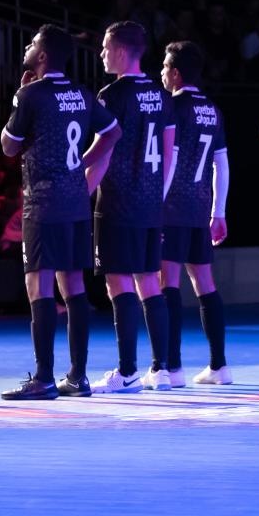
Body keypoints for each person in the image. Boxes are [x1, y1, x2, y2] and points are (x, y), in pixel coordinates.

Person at [0, 25, 121, 400]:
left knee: (38, 285)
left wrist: (19, 97)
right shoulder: (82, 94)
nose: (26, 46)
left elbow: (8, 147)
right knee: (74, 286)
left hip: (42, 203)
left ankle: (43, 378)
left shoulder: (30, 94)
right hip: (75, 202)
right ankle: (78, 377)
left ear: (42, 55)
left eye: (32, 43)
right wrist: (82, 163)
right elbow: (113, 133)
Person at [91, 21, 176, 393]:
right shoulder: (161, 95)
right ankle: (163, 369)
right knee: (149, 283)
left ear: (122, 51)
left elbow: (104, 151)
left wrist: (79, 185)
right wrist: (158, 195)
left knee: (119, 283)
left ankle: (127, 372)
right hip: (150, 203)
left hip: (118, 201)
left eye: (106, 48)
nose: (102, 54)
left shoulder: (112, 95)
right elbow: (170, 153)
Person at [159, 41, 233, 385]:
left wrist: (157, 202)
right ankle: (220, 365)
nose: (161, 73)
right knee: (205, 284)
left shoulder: (173, 107)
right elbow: (222, 164)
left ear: (175, 73)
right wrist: (218, 211)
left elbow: (170, 158)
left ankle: (172, 367)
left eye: (164, 67)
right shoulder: (212, 109)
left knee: (167, 284)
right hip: (200, 208)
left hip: (172, 207)